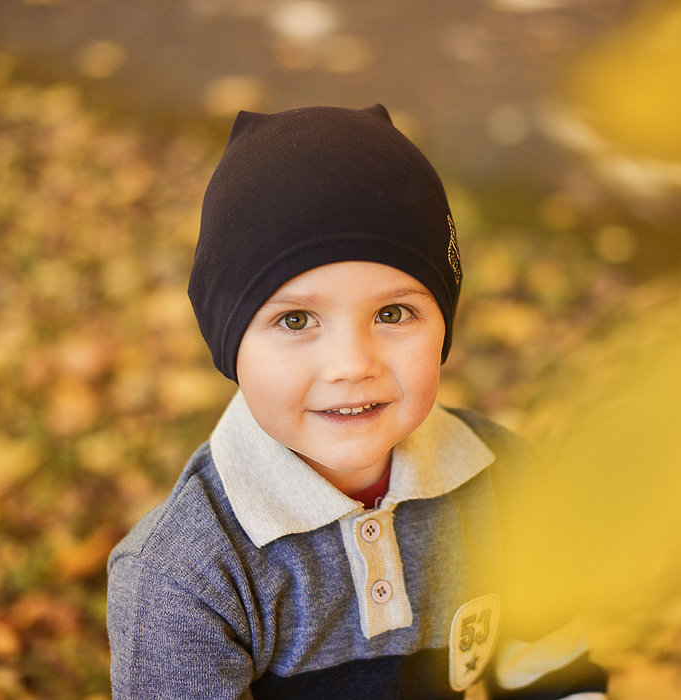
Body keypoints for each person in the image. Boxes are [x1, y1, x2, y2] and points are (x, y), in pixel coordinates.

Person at [106, 104, 607, 699]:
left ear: (443, 326)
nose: (351, 365)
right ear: (229, 343)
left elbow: (551, 675)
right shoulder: (183, 578)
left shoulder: (509, 483)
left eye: (392, 313)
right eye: (296, 319)